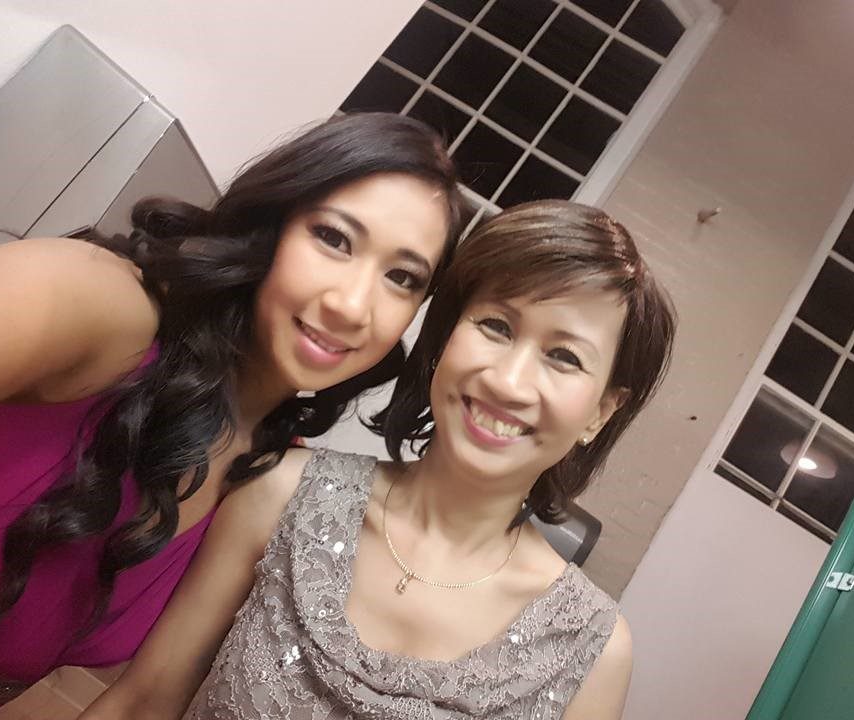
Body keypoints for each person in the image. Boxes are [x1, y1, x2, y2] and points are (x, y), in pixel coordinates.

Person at [81, 199, 676, 720]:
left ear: (601, 412)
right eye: (496, 326)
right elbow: (141, 705)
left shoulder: (592, 653)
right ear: (446, 339)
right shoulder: (280, 495)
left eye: (564, 357)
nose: (509, 381)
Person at [0, 112, 467, 718]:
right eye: (334, 239)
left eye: (402, 277)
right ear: (271, 226)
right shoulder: (96, 302)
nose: (354, 306)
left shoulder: (271, 479)